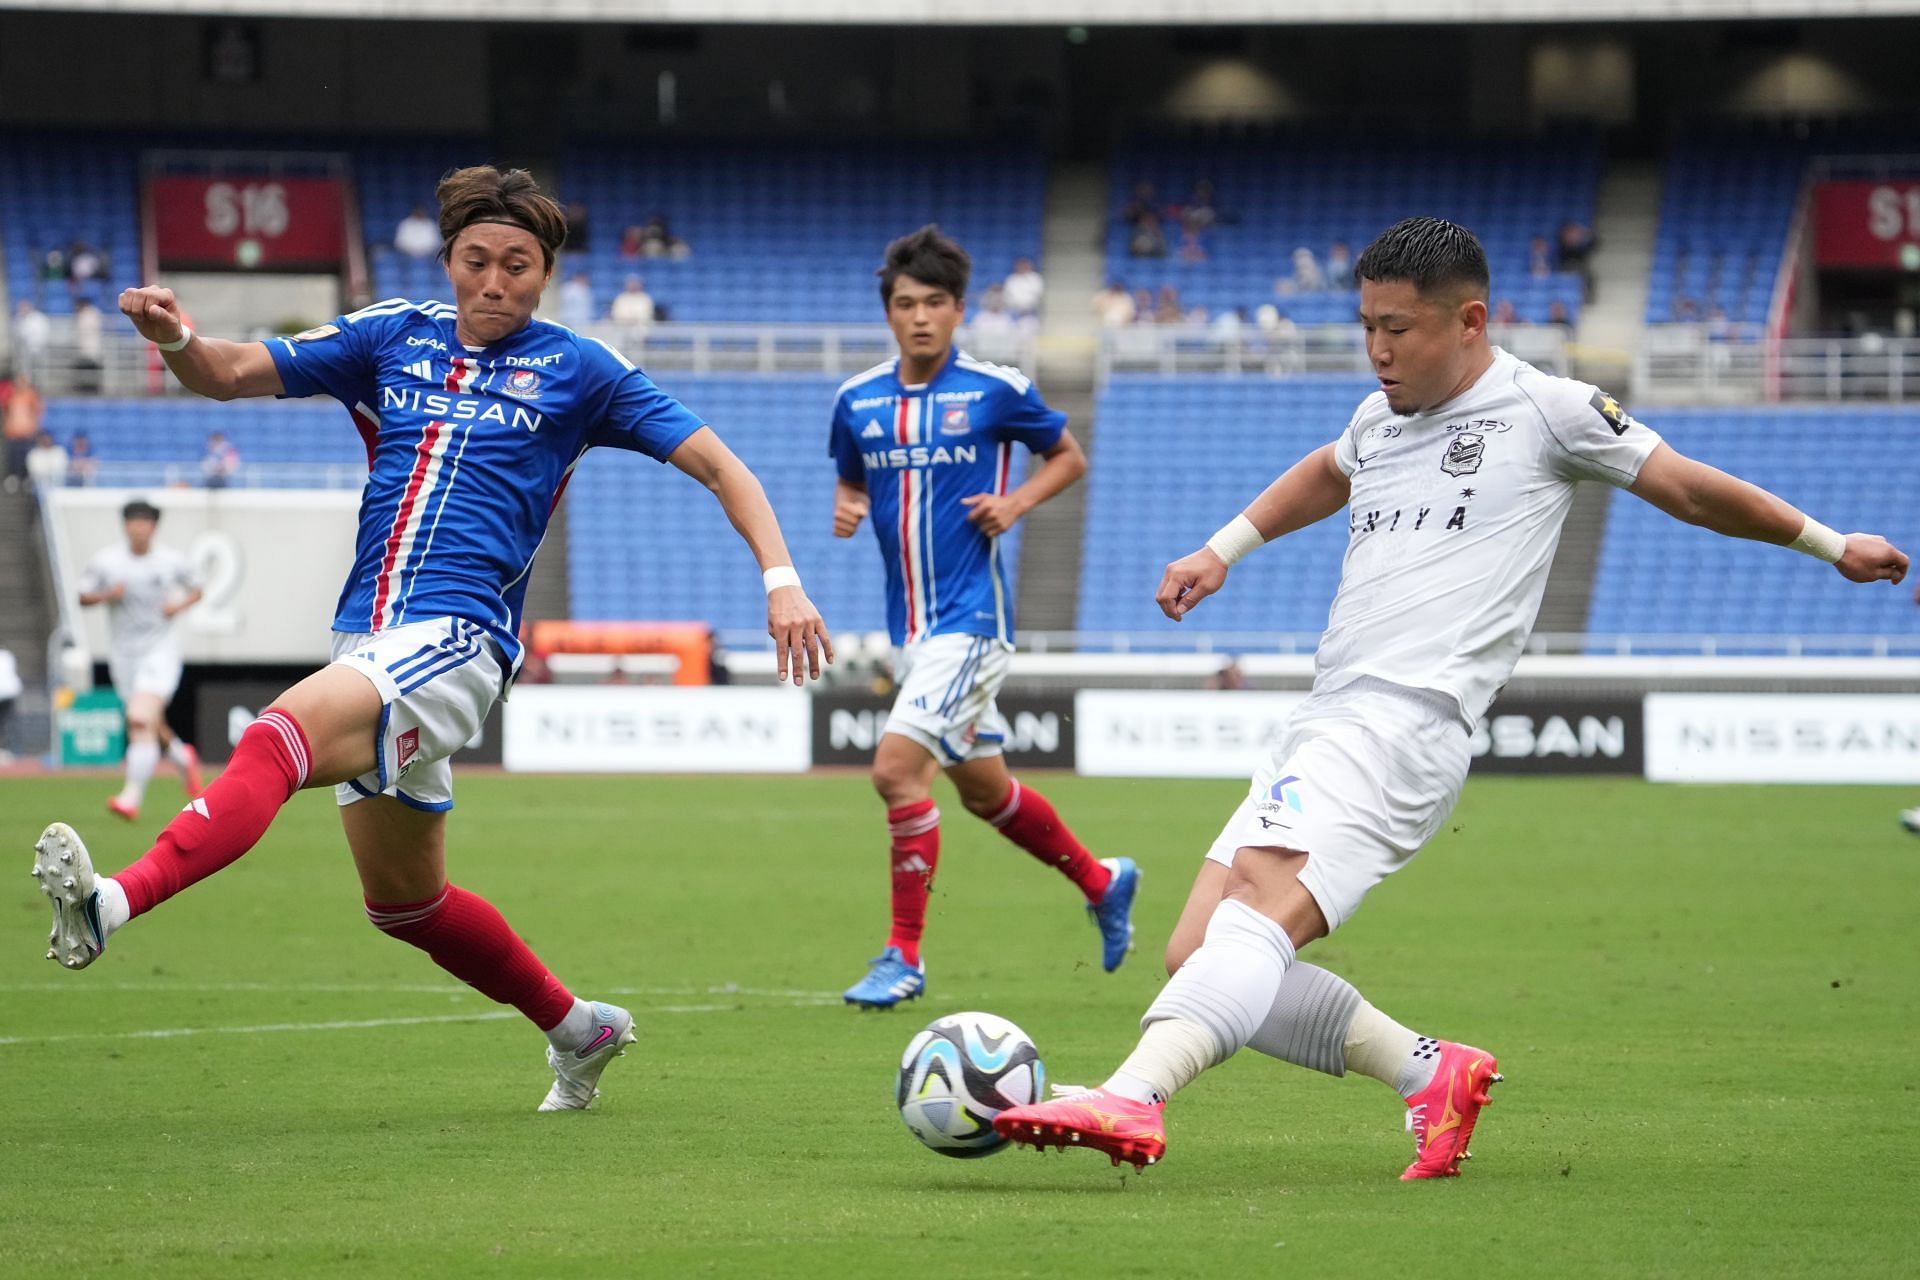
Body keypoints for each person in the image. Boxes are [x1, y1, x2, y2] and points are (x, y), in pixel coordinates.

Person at [989, 216, 1908, 1178]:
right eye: (1366, 327)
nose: (1379, 350)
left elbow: (1685, 488)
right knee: (1197, 949)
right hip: (1331, 709)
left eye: (1399, 328)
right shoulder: (1377, 419)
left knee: (1258, 907)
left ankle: (1133, 1096)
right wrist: (1222, 551)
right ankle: (1429, 1071)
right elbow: (1322, 474)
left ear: (1470, 321)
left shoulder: (1549, 409)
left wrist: (1830, 543)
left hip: (1402, 718)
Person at [34, 165, 832, 1114]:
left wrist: (782, 582)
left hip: (460, 639)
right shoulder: (390, 336)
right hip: (367, 635)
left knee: (273, 738)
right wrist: (175, 339)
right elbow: (230, 372)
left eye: (520, 267)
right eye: (479, 260)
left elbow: (720, 464)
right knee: (404, 903)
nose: (497, 282)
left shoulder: (581, 369)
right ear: (450, 258)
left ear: (547, 275)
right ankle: (582, 1030)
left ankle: (110, 902)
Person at [829, 225, 1137, 1009]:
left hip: (971, 624)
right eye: (906, 304)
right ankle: (1102, 883)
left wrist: (1016, 502)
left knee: (895, 772)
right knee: (983, 792)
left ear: (960, 309)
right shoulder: (857, 402)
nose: (921, 317)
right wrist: (850, 501)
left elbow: (1068, 454)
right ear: (888, 313)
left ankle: (904, 955)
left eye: (935, 303)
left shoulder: (993, 390)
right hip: (912, 635)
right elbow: (854, 478)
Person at [76, 498, 207, 821]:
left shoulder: (170, 561)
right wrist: (108, 595)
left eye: (144, 522)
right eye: (133, 522)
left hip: (160, 651)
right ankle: (179, 754)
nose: (138, 528)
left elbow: (197, 588)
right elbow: (82, 596)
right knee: (147, 720)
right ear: (125, 526)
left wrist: (178, 606)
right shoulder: (107, 561)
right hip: (124, 655)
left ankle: (130, 797)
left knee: (138, 717)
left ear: (153, 527)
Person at [0, 644, 20, 764]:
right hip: (9, 693)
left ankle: (6, 749)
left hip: (7, 693)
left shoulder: (7, 657)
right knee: (6, 723)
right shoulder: (8, 656)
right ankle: (8, 749)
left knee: (5, 724)